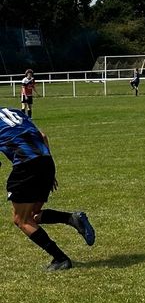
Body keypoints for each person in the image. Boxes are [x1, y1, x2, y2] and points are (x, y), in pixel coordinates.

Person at [0, 106, 95, 271]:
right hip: (46, 161)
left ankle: (60, 259)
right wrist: (49, 173)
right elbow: (42, 136)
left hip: (25, 165)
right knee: (33, 216)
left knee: (21, 220)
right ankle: (72, 218)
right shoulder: (14, 111)